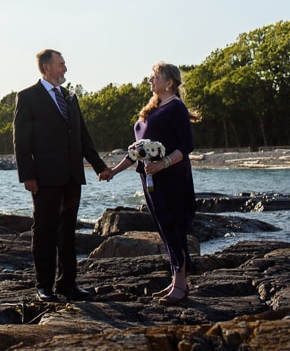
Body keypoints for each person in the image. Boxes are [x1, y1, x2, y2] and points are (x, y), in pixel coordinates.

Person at [13, 48, 110, 303]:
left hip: (72, 177)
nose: (65, 69)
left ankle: (68, 284)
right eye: (61, 64)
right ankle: (44, 286)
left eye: (64, 64)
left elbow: (82, 136)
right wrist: (27, 175)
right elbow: (21, 141)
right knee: (44, 231)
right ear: (47, 67)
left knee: (68, 232)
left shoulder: (70, 97)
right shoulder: (28, 97)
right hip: (43, 178)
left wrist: (100, 167)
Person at [105, 61, 196, 305]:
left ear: (169, 82)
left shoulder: (176, 107)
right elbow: (137, 151)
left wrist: (163, 163)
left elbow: (186, 146)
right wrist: (113, 171)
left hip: (172, 176)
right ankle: (176, 279)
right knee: (164, 228)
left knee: (173, 225)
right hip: (150, 177)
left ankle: (181, 284)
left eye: (154, 77)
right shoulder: (152, 109)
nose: (149, 80)